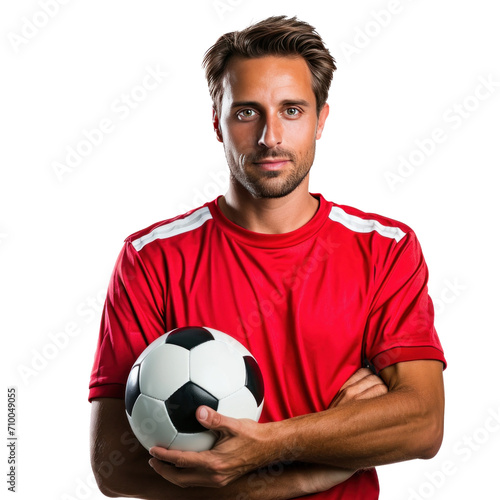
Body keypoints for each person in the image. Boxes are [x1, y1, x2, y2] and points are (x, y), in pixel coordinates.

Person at [89, 15, 446, 499]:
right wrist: (316, 462)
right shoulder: (150, 259)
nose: (270, 136)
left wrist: (271, 445)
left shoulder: (385, 248)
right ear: (217, 122)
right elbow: (113, 466)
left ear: (321, 120)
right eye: (246, 112)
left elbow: (423, 424)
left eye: (292, 110)